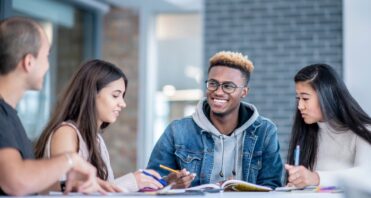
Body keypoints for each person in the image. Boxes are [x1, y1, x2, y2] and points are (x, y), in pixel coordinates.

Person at [147, 51, 283, 189]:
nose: (218, 92)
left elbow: (271, 186)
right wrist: (169, 184)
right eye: (213, 84)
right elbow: (150, 183)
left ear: (244, 92)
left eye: (228, 86)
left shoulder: (265, 131)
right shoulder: (178, 131)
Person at [0, 17, 105, 195]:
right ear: (29, 62)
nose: (48, 66)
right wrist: (70, 159)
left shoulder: (9, 116)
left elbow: (22, 180)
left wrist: (69, 186)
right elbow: (16, 182)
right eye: (46, 56)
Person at [34, 59, 164, 192]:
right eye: (115, 95)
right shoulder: (66, 133)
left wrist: (157, 185)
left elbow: (99, 190)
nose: (123, 104)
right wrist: (133, 181)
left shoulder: (96, 139)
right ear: (91, 94)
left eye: (122, 96)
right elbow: (72, 190)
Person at [285, 63, 371, 188]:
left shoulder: (364, 131)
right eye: (298, 98)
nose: (300, 106)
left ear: (327, 95)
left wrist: (315, 178)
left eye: (305, 98)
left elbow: (366, 175)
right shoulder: (307, 134)